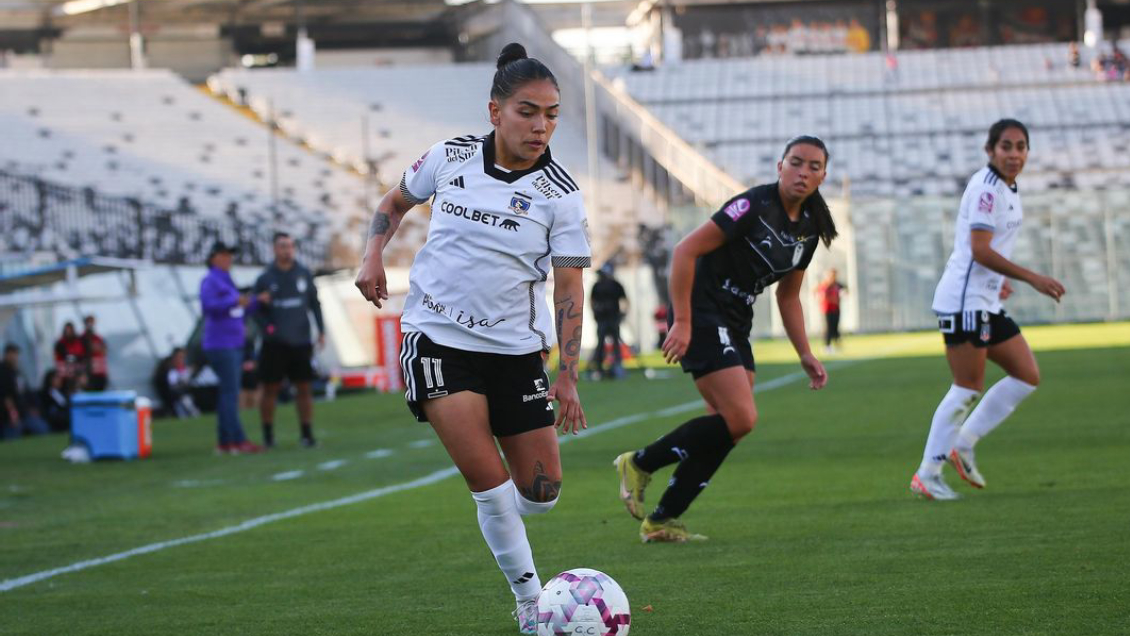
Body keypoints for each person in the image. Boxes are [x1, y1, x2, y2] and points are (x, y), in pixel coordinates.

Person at [354, 43, 590, 635]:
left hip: (516, 351)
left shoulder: (561, 194)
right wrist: (372, 254)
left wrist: (567, 375)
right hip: (436, 340)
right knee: (491, 488)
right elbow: (394, 202)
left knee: (540, 493)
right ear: (495, 111)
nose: (541, 126)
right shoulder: (449, 157)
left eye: (552, 114)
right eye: (527, 112)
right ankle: (532, 604)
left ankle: (512, 524)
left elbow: (569, 286)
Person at [614, 135, 836, 543]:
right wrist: (682, 322)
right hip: (701, 310)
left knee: (728, 427)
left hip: (735, 319)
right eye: (795, 162)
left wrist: (805, 352)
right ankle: (640, 463)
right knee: (742, 417)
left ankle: (662, 519)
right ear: (780, 166)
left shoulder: (809, 229)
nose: (803, 172)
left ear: (823, 176)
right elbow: (685, 251)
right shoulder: (753, 205)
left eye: (814, 166)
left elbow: (788, 296)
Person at [911, 119, 1065, 500]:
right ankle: (928, 473)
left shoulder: (1008, 187)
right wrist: (1031, 278)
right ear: (990, 150)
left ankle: (962, 444)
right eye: (1006, 146)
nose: (1014, 154)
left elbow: (982, 250)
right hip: (964, 303)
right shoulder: (986, 189)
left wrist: (1000, 281)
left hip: (985, 300)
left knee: (1026, 375)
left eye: (1020, 147)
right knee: (966, 387)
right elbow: (979, 250)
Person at [253, 232, 325, 448]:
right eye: (283, 246)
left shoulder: (303, 273)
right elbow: (255, 309)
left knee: (304, 388)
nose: (287, 250)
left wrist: (321, 330)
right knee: (270, 389)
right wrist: (268, 328)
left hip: (301, 341)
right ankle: (268, 436)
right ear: (275, 249)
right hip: (275, 344)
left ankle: (307, 434)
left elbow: (314, 304)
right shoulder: (265, 278)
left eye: (290, 246)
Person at [200, 241, 261, 454]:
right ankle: (234, 440)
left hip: (232, 343)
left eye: (229, 255)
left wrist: (256, 301)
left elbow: (239, 310)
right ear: (213, 258)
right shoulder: (211, 280)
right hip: (221, 344)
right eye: (224, 255)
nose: (228, 259)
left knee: (229, 392)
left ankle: (228, 440)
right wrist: (235, 301)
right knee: (230, 393)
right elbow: (208, 306)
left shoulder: (226, 280)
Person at [1, 344, 50, 440]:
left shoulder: (17, 372)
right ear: (7, 355)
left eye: (16, 354)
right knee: (12, 439)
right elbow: (5, 396)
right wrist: (12, 413)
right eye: (12, 354)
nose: (15, 357)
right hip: (9, 415)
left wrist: (32, 407)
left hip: (24, 412)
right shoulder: (3, 372)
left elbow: (25, 391)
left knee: (43, 429)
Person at [588, 263, 628, 380]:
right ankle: (599, 366)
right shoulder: (598, 285)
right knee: (601, 343)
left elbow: (625, 300)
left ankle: (617, 366)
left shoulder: (615, 285)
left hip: (613, 317)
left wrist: (623, 313)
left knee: (615, 342)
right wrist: (594, 312)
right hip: (602, 318)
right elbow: (592, 300)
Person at [153, 347, 200, 419]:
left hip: (185, 391)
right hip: (174, 393)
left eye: (183, 357)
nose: (181, 359)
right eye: (179, 357)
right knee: (182, 400)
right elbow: (172, 383)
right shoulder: (169, 368)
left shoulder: (185, 367)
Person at [816, 268, 846, 353]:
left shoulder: (837, 285)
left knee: (835, 327)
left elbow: (845, 290)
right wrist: (832, 299)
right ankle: (827, 346)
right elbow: (821, 295)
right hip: (827, 310)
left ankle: (837, 344)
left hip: (836, 309)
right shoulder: (825, 285)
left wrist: (843, 294)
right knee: (828, 328)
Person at [53, 322, 85, 389]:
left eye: (70, 330)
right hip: (63, 371)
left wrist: (71, 358)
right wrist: (73, 358)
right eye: (67, 330)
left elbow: (80, 357)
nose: (68, 332)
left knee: (82, 380)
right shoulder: (60, 343)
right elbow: (63, 357)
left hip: (75, 370)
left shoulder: (78, 342)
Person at [81, 314, 109, 391]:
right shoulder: (81, 339)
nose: (90, 325)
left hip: (99, 373)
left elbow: (104, 351)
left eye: (92, 322)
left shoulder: (98, 338)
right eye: (88, 322)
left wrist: (98, 348)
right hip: (87, 372)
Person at [39, 369, 71, 433]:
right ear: (50, 380)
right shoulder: (46, 393)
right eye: (57, 378)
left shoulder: (62, 392)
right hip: (55, 417)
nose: (59, 380)